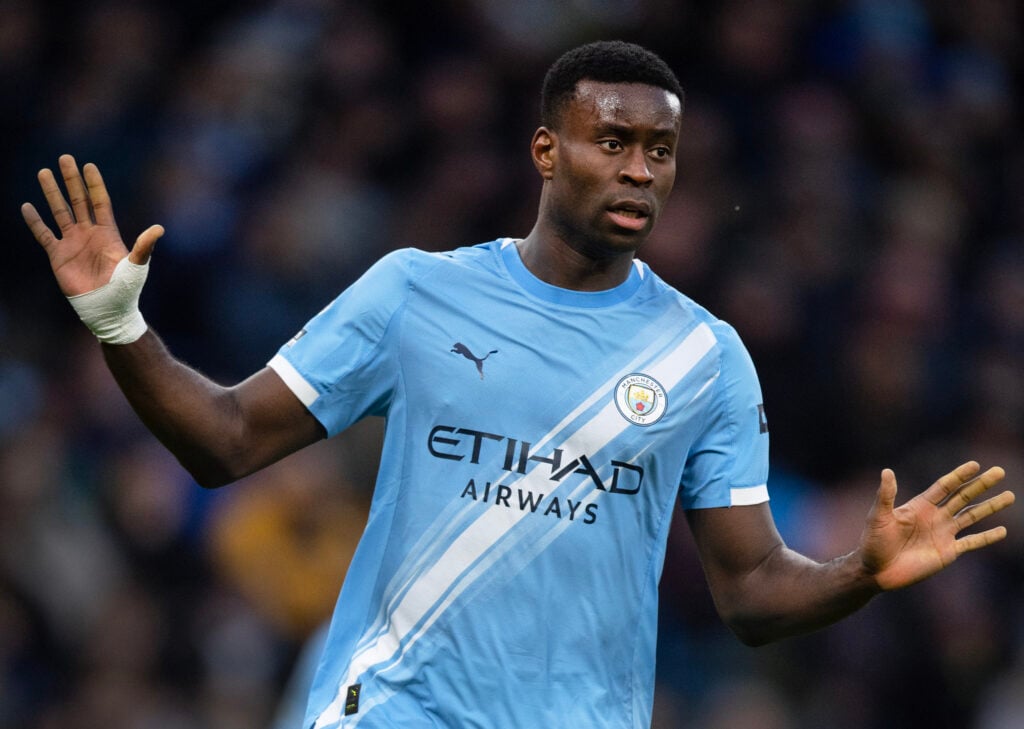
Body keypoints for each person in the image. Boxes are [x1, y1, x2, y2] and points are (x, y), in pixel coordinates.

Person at [22, 40, 1014, 729]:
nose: (639, 172)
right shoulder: (417, 291)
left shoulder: (703, 357)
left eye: (659, 152)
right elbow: (227, 439)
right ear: (546, 150)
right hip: (393, 708)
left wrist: (857, 573)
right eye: (612, 143)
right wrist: (119, 325)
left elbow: (751, 590)